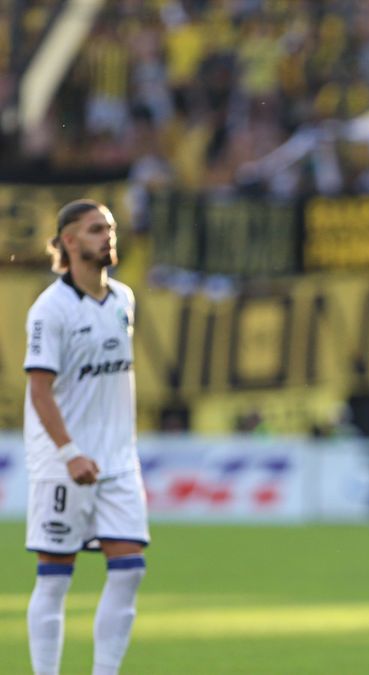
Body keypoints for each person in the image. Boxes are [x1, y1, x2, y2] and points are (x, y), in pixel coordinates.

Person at [24, 199, 148, 675]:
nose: (108, 236)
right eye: (96, 229)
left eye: (110, 228)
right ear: (70, 241)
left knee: (130, 570)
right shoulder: (48, 310)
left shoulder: (123, 299)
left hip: (118, 460)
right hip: (64, 462)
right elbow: (39, 391)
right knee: (55, 577)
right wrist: (70, 452)